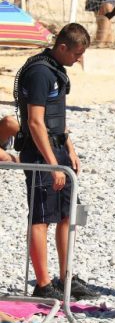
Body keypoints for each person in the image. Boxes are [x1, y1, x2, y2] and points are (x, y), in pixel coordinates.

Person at [15, 23, 98, 301]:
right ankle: (42, 283)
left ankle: (66, 277)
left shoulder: (56, 71)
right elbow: (36, 122)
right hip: (41, 153)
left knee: (67, 215)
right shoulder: (40, 72)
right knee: (41, 218)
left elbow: (56, 119)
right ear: (62, 47)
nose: (79, 59)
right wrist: (52, 164)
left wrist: (69, 149)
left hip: (58, 149)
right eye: (76, 53)